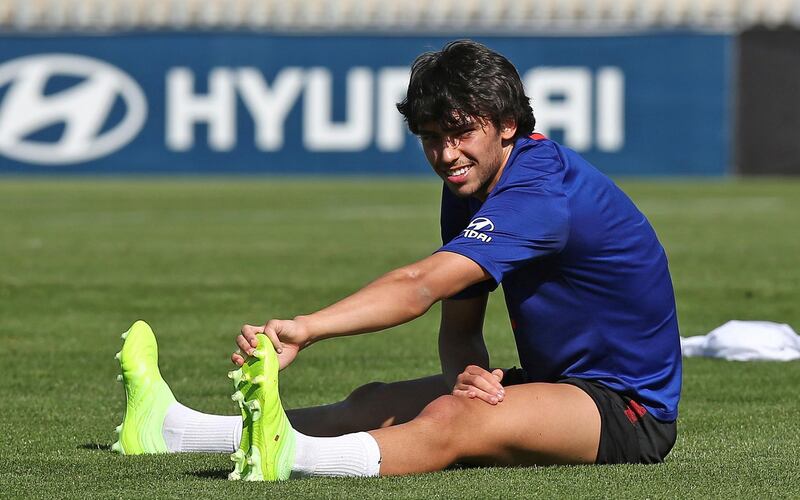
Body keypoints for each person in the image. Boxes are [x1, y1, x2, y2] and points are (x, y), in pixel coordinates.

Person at [112, 40, 681, 480]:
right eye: (431, 137)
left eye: (459, 133)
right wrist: (467, 375)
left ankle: (292, 458)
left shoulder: (539, 195)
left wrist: (306, 329)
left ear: (509, 124)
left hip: (626, 408)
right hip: (558, 382)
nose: (445, 154)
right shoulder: (472, 187)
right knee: (376, 402)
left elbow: (419, 286)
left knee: (456, 419)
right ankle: (176, 430)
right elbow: (461, 325)